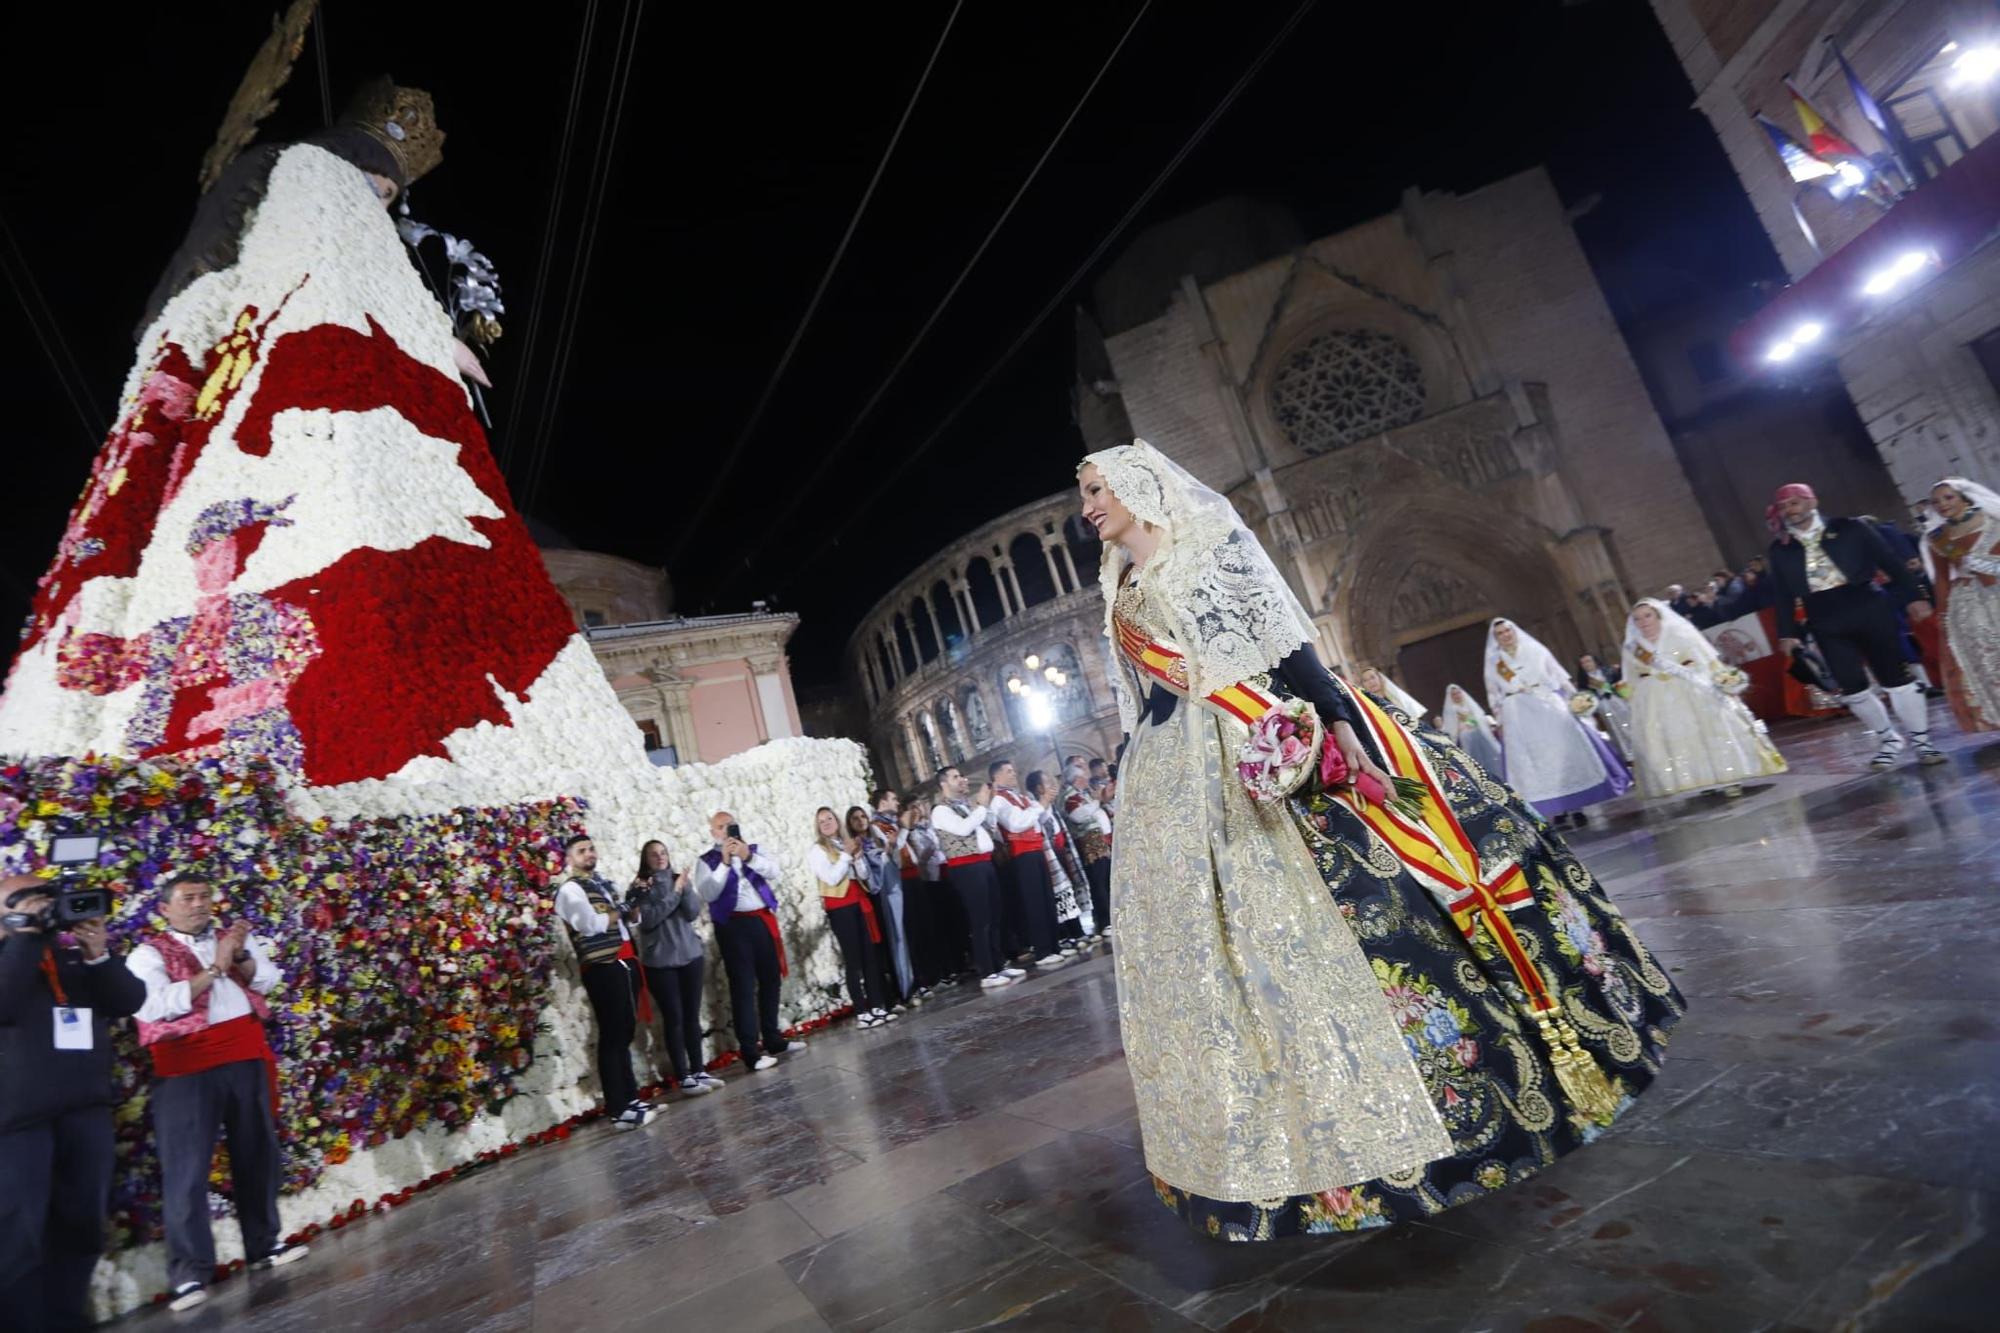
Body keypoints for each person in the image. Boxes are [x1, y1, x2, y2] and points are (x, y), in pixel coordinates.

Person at [1079, 439, 1681, 1241]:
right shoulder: (1117, 582)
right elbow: (1149, 695)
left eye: (1096, 489)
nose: (1088, 506)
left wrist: (1334, 718)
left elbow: (1283, 642)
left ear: (1138, 485)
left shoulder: (1206, 550)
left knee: (1365, 913)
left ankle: (1460, 1108)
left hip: (1253, 740)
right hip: (1173, 775)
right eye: (1084, 494)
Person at [129, 875, 308, 1310]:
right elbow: (153, 1008)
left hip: (245, 1057)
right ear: (165, 908)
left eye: (205, 896)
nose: (199, 905)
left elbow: (265, 981)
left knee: (257, 1154)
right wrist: (212, 969)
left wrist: (237, 954)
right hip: (188, 1067)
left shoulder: (232, 940)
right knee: (187, 1170)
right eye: (187, 898)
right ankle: (189, 1274)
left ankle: (264, 1245)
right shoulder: (148, 953)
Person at [0, 873, 145, 1332]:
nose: (43, 906)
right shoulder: (16, 952)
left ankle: (65, 1319)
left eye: (46, 898)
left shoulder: (66, 953)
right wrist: (23, 937)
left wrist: (98, 954)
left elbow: (128, 1000)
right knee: (19, 1232)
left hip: (85, 1109)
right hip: (17, 1119)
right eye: (25, 899)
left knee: (82, 1222)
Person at [1766, 482, 1945, 769]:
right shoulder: (1780, 549)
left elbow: (1890, 562)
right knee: (1851, 688)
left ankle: (1923, 742)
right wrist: (1786, 633)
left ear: (1812, 502)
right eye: (1784, 506)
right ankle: (1889, 740)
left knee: (1897, 679)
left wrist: (1914, 597)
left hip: (1868, 606)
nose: (1789, 511)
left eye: (1795, 503)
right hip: (1824, 618)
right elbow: (1782, 594)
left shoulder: (1850, 528)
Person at [1622, 599, 1787, 798]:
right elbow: (1630, 678)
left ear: (1658, 615)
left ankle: (1730, 778)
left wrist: (1722, 681)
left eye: (1648, 615)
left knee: (1709, 731)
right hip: (1658, 700)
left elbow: (1707, 661)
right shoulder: (1633, 647)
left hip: (1692, 690)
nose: (1643, 622)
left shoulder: (1680, 633)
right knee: (1677, 740)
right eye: (1637, 619)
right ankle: (1698, 779)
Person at [550, 837, 655, 1132]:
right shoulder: (570, 890)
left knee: (625, 1032)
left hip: (624, 959)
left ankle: (630, 1099)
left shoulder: (601, 885)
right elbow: (590, 924)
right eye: (581, 851)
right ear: (569, 859)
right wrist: (621, 908)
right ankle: (618, 1108)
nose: (589, 854)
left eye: (591, 848)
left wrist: (634, 901)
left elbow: (628, 922)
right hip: (602, 966)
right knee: (612, 1035)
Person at [1485, 618, 1631, 828]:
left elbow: (1560, 676)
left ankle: (1577, 807)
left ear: (1514, 631)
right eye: (1500, 633)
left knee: (1562, 753)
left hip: (1547, 706)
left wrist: (1577, 700)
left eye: (1507, 630)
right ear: (1496, 638)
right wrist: (1499, 719)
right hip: (1519, 714)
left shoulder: (1535, 650)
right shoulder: (1494, 662)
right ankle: (1558, 809)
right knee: (1538, 760)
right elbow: (1493, 693)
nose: (1505, 635)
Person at [694, 812, 803, 1072]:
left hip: (761, 919)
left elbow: (774, 871)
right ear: (713, 833)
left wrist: (748, 857)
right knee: (743, 985)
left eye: (729, 826)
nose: (726, 831)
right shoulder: (706, 860)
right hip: (732, 926)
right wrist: (724, 862)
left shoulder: (753, 850)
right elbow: (708, 892)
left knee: (770, 979)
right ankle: (750, 1051)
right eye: (720, 828)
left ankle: (773, 1038)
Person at [629, 841, 721, 1098]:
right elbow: (648, 920)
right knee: (674, 1018)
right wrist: (675, 892)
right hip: (661, 962)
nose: (660, 858)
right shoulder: (640, 886)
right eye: (653, 854)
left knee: (692, 1015)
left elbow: (692, 913)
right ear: (645, 859)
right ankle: (683, 1076)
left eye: (663, 853)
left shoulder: (677, 879)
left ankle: (699, 1070)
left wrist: (684, 888)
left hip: (690, 955)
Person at [1924, 477, 2000, 734]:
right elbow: (1942, 580)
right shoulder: (1938, 538)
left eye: (1948, 497)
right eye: (1936, 502)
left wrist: (1985, 566)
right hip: (1968, 607)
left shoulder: (1994, 520)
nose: (1942, 505)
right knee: (1986, 664)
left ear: (1964, 497)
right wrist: (1943, 615)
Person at [930, 768, 1018, 989]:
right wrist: (979, 805)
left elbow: (985, 826)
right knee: (981, 920)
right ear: (943, 784)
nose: (962, 779)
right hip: (966, 867)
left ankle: (999, 963)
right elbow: (963, 828)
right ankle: (987, 971)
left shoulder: (966, 806)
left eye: (962, 775)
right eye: (955, 777)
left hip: (984, 862)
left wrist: (985, 807)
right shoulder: (940, 811)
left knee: (995, 914)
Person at [808, 809, 895, 1028]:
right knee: (854, 959)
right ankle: (862, 1011)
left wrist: (857, 859)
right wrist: (847, 856)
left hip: (859, 901)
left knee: (869, 956)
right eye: (822, 821)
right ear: (817, 827)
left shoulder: (845, 843)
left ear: (837, 821)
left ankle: (877, 1005)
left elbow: (864, 875)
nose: (827, 823)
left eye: (830, 818)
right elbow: (831, 878)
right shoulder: (818, 850)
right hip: (840, 906)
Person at [985, 760, 1065, 969]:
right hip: (1021, 854)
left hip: (1036, 849)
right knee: (1034, 902)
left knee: (1047, 898)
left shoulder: (1019, 797)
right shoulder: (998, 801)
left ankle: (1054, 945)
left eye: (1013, 770)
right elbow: (1016, 824)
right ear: (997, 777)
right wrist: (1040, 805)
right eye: (1009, 771)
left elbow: (1038, 819)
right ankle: (1043, 950)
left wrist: (1045, 803)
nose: (1014, 774)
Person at [1025, 770, 1092, 947]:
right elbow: (1042, 823)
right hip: (1049, 854)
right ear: (1039, 788)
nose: (1053, 786)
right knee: (1059, 895)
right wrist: (1045, 802)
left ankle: (1078, 931)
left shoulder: (1050, 805)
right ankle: (1067, 935)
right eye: (1048, 782)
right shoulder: (1033, 805)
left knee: (1070, 890)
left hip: (1061, 850)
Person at [864, 797, 919, 1005]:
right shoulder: (879, 827)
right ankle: (902, 987)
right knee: (895, 937)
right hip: (883, 889)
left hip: (896, 882)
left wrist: (901, 832)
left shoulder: (879, 829)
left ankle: (911, 982)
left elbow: (894, 851)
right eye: (893, 799)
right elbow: (887, 856)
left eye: (863, 817)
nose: (897, 802)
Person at [1059, 761, 1114, 939]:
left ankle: (1107, 918)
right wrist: (1097, 800)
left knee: (1105, 881)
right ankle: (1105, 921)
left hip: (1099, 841)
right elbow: (1079, 816)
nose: (1086, 780)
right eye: (1083, 777)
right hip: (1090, 844)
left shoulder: (1083, 794)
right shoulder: (1071, 796)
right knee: (1098, 883)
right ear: (1076, 779)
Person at [1575, 653, 1636, 762]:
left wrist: (1627, 697)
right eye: (1583, 663)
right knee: (1615, 729)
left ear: (1595, 661)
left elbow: (1620, 683)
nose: (1586, 664)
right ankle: (1628, 754)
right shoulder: (1584, 681)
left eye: (1588, 661)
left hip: (1617, 700)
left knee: (1630, 723)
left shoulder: (1609, 671)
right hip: (1603, 705)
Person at [1438, 683, 1505, 778]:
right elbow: (1451, 728)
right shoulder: (1451, 710)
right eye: (1454, 694)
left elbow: (1480, 718)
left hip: (1480, 733)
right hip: (1466, 737)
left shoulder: (1469, 704)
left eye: (1458, 693)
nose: (1457, 696)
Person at [1357, 667, 1427, 725]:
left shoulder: (1397, 698)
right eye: (1365, 680)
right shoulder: (1369, 706)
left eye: (1372, 677)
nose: (1370, 682)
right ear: (1363, 685)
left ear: (1380, 678)